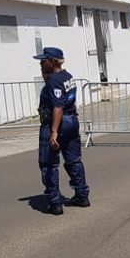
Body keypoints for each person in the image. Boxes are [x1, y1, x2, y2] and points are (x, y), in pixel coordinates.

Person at [34, 47, 89, 216]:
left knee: (48, 164)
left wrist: (54, 132)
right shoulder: (68, 77)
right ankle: (81, 195)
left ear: (52, 61)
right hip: (72, 121)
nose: (41, 64)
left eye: (43, 61)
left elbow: (57, 107)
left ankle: (55, 202)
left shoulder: (54, 81)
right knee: (74, 160)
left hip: (57, 122)